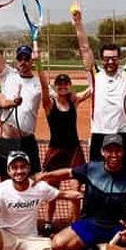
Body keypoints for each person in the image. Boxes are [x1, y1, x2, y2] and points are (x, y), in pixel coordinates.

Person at [71, 4, 126, 171]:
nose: (110, 61)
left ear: (119, 59)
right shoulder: (94, 75)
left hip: (122, 133)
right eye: (107, 58)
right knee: (96, 176)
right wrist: (78, 23)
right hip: (99, 134)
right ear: (102, 59)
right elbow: (85, 48)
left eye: (114, 58)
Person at [0, 151, 82, 250]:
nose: (19, 171)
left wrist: (86, 195)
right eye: (14, 168)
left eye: (22, 167)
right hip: (7, 237)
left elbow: (64, 194)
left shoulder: (39, 187)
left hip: (30, 238)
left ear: (28, 168)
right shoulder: (0, 190)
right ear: (8, 171)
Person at [0, 11, 43, 176]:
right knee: (6, 182)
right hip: (7, 140)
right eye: (20, 58)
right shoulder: (7, 74)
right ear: (16, 59)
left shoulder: (39, 83)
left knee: (32, 182)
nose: (23, 61)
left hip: (27, 140)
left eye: (27, 58)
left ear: (32, 60)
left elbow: (58, 98)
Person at [39, 71, 91, 234]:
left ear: (70, 86)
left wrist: (99, 75)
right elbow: (43, 87)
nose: (62, 86)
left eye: (65, 83)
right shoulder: (49, 104)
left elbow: (92, 89)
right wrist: (39, 64)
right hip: (56, 151)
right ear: (56, 86)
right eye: (59, 84)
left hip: (74, 151)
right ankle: (48, 222)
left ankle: (74, 224)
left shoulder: (73, 102)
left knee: (76, 189)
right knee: (52, 189)